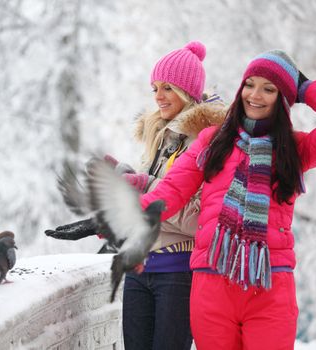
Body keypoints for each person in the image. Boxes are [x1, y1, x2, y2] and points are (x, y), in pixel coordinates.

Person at [139, 49, 316, 350]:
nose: (255, 95)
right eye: (250, 84)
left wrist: (305, 87)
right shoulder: (213, 141)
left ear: (284, 99)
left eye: (270, 88)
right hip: (212, 286)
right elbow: (170, 191)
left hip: (270, 287)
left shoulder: (295, 149)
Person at [46, 41, 226, 350]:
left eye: (167, 87)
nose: (158, 96)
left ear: (186, 91)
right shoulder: (158, 139)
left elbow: (199, 220)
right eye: (154, 87)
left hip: (177, 273)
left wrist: (143, 187)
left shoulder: (207, 143)